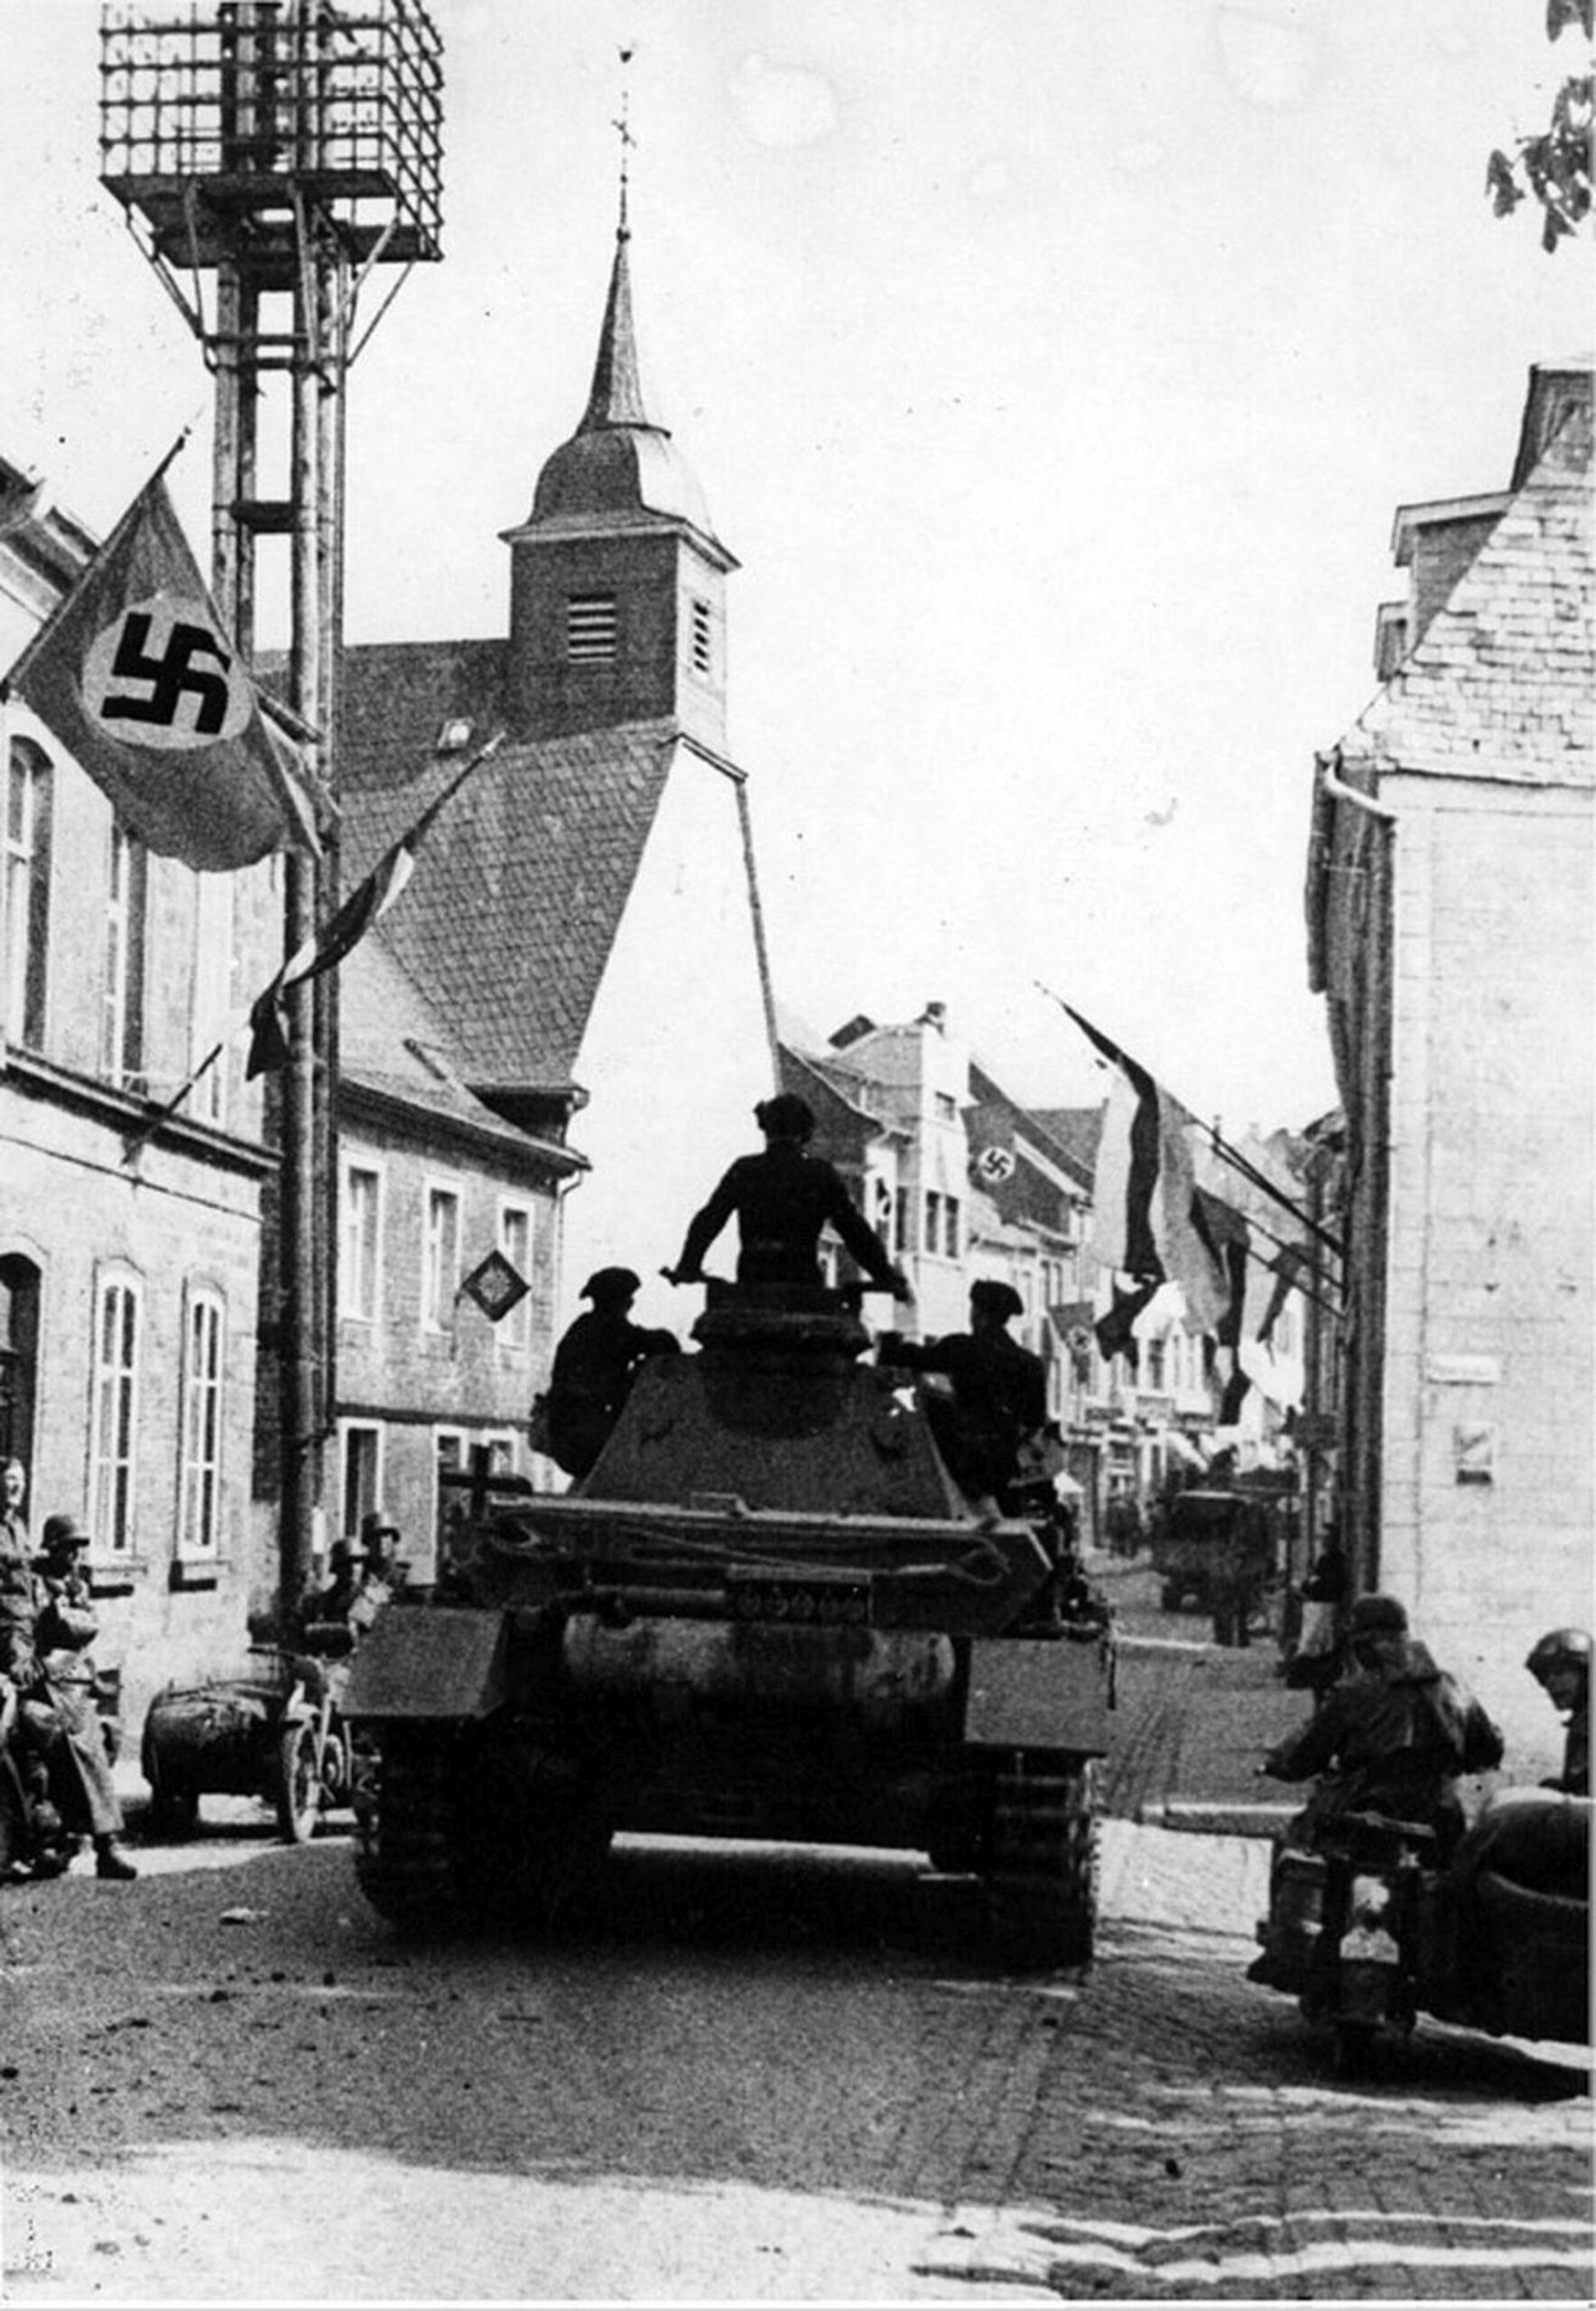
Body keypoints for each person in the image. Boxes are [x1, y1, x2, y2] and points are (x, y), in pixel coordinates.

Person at [1261, 1592, 1503, 1857]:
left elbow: (1305, 1758)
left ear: (1365, 1645)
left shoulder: (1352, 1693)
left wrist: (1275, 1763)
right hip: (1439, 1818)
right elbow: (1487, 1751)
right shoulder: (1453, 1687)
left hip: (1362, 1818)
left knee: (1295, 1850)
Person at [663, 1095, 910, 1298]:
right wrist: (884, 1275)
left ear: (765, 1129)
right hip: (801, 1277)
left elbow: (710, 1218)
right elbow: (854, 1231)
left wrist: (689, 1264)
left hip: (753, 1277)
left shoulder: (745, 1169)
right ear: (807, 1134)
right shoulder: (819, 1173)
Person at [17, 1514, 136, 1880]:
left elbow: (87, 1628)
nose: (74, 1556)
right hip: (42, 1683)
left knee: (91, 1747)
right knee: (50, 1739)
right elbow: (25, 1626)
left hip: (77, 1684)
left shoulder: (77, 1586)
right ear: (51, 1546)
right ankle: (52, 1839)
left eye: (78, 1549)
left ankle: (107, 1845)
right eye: (68, 1547)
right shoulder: (34, 1583)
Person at [879, 1279, 1047, 1516]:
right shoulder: (1031, 1365)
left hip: (966, 1461)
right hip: (1006, 1465)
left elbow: (916, 1358)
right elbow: (1034, 1422)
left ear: (978, 1312)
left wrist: (890, 1345)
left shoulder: (963, 1349)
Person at [544, 1269, 680, 1481]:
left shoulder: (585, 1327)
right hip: (586, 1433)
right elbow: (661, 1342)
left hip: (575, 1433)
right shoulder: (605, 1329)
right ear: (623, 1302)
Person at [1525, 1627, 1590, 1796]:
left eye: (1560, 1672)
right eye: (1546, 1677)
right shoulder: (1582, 1718)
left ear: (1586, 1673)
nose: (1551, 1683)